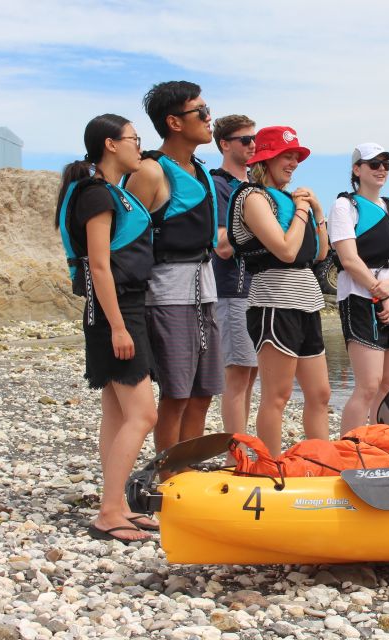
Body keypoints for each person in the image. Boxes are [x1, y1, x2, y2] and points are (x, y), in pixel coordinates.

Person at [56, 114, 158, 543]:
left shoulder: (109, 193)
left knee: (117, 414)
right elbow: (99, 264)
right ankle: (108, 513)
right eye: (134, 139)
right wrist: (118, 327)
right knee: (143, 414)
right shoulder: (97, 196)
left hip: (121, 307)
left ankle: (114, 504)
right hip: (115, 311)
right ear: (111, 145)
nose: (140, 146)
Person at [124, 81, 225, 458]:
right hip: (168, 296)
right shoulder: (151, 171)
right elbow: (125, 240)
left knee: (202, 394)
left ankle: (189, 471)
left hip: (206, 290)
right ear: (174, 122)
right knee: (177, 394)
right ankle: (167, 478)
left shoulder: (200, 171)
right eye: (200, 111)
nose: (209, 117)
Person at [227, 126, 330, 456]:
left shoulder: (290, 201)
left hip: (307, 301)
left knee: (321, 393)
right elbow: (285, 251)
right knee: (278, 395)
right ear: (266, 160)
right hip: (273, 301)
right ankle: (270, 466)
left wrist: (317, 212)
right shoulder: (253, 197)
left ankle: (321, 460)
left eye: (296, 157)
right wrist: (301, 209)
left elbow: (321, 254)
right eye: (287, 156)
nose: (293, 163)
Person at [329, 143, 389, 432]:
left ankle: (379, 443)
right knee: (368, 385)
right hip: (360, 296)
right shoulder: (345, 206)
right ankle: (350, 449)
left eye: (386, 164)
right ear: (357, 170)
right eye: (374, 164)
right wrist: (380, 291)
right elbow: (349, 259)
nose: (381, 169)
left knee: (388, 383)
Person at [210, 114, 259, 436]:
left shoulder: (253, 186)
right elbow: (221, 245)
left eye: (254, 139)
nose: (253, 145)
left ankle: (242, 445)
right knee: (237, 376)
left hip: (257, 291)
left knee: (250, 375)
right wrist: (258, 222)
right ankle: (235, 451)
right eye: (245, 140)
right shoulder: (218, 186)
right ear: (225, 144)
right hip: (231, 290)